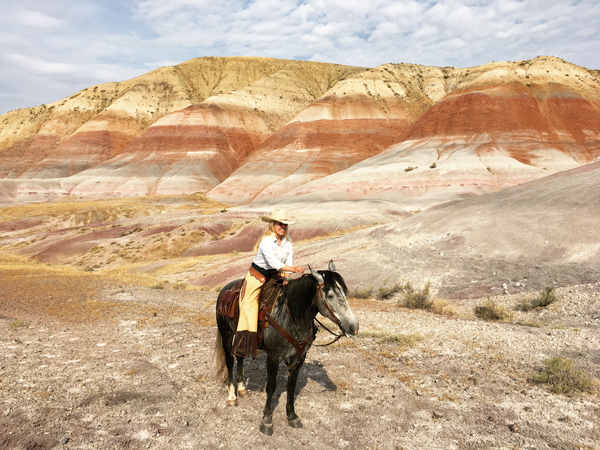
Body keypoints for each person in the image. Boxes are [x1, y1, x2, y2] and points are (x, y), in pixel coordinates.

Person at [232, 209, 304, 359]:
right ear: (273, 225)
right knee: (249, 304)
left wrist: (287, 278)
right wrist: (294, 269)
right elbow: (274, 263)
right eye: (280, 224)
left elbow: (288, 261)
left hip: (276, 276)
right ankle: (243, 344)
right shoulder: (266, 241)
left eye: (285, 224)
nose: (282, 227)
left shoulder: (288, 242)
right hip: (258, 276)